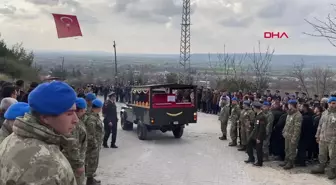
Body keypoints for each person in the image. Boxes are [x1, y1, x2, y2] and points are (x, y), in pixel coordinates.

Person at [0, 81, 78, 184]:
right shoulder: (46, 165)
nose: (76, 119)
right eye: (69, 113)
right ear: (45, 117)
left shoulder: (12, 138)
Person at [62, 97, 88, 185]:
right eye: (84, 109)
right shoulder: (75, 125)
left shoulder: (77, 121)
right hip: (74, 162)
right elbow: (72, 144)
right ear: (81, 110)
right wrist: (78, 165)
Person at [311, 97, 336, 179]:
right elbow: (320, 125)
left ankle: (332, 170)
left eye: (334, 103)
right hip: (323, 138)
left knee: (333, 155)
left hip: (332, 139)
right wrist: (317, 135)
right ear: (328, 104)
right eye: (332, 103)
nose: (333, 105)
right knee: (322, 153)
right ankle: (321, 167)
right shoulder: (324, 113)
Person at [85, 99, 104, 185]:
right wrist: (95, 145)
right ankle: (89, 181)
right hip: (93, 146)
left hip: (96, 145)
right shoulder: (91, 119)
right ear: (98, 108)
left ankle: (91, 179)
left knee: (94, 163)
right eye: (100, 107)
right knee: (91, 163)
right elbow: (90, 134)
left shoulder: (95, 116)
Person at [280, 99, 302, 170]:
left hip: (292, 135)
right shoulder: (289, 114)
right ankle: (286, 160)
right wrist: (284, 131)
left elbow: (297, 128)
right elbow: (287, 124)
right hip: (287, 134)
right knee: (286, 149)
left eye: (289, 105)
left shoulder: (298, 115)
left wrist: (294, 137)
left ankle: (290, 162)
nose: (288, 106)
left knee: (292, 150)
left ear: (292, 105)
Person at [245, 102, 267, 166]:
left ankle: (260, 162)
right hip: (254, 133)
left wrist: (259, 138)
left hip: (259, 135)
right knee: (249, 144)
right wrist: (250, 123)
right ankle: (251, 158)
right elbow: (256, 124)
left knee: (258, 149)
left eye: (254, 108)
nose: (253, 109)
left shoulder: (262, 116)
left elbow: (262, 129)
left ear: (257, 108)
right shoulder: (257, 114)